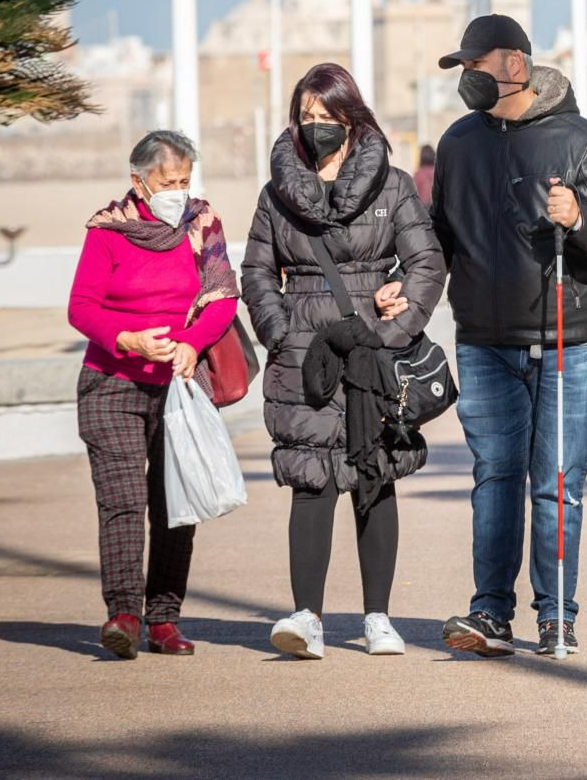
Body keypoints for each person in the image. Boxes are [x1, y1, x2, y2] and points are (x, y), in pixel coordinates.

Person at [431, 14, 587, 657]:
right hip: (484, 339)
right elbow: (439, 239)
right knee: (494, 477)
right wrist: (400, 293)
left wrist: (578, 218)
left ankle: (556, 617)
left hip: (567, 338)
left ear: (514, 64)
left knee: (556, 481)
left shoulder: (580, 139)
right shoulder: (458, 143)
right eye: (462, 68)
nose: (468, 77)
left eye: (475, 65)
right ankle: (490, 614)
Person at [241, 63, 447, 660]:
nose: (317, 128)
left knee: (373, 478)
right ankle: (306, 616)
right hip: (304, 354)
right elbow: (257, 270)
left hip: (372, 350)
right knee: (311, 480)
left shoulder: (394, 185)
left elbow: (427, 264)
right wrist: (279, 330)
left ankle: (378, 617)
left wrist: (395, 325)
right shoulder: (276, 194)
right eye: (307, 117)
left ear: (352, 120)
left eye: (328, 118)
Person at [67, 131, 239, 659]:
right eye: (168, 182)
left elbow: (222, 299)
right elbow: (82, 306)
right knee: (123, 500)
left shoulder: (202, 225)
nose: (178, 191)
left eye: (185, 181)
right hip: (112, 381)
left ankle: (163, 619)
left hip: (181, 385)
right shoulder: (108, 231)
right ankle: (123, 613)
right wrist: (126, 338)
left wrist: (190, 343)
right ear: (138, 180)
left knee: (174, 505)